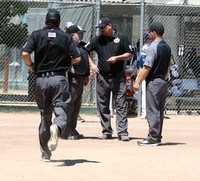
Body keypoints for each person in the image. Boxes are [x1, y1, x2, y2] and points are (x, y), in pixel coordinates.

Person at [22, 9, 81, 161]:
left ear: (45, 22)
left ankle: (45, 153)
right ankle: (58, 126)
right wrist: (66, 61)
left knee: (44, 116)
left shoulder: (36, 35)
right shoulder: (66, 37)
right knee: (62, 108)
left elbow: (25, 53)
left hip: (41, 80)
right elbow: (78, 58)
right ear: (59, 23)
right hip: (59, 79)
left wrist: (31, 65)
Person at [85, 17, 134, 141]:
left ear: (110, 25)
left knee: (121, 104)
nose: (101, 30)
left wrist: (117, 58)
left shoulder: (121, 38)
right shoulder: (97, 40)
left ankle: (122, 132)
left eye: (103, 27)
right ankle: (106, 131)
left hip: (118, 77)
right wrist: (91, 64)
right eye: (100, 28)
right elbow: (84, 51)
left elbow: (130, 54)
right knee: (103, 105)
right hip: (103, 77)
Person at [133, 22, 171, 146]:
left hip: (154, 82)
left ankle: (153, 138)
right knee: (159, 110)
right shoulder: (167, 47)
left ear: (154, 32)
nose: (150, 34)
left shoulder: (152, 47)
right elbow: (168, 67)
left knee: (152, 110)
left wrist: (138, 82)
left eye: (150, 32)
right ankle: (157, 136)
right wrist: (163, 78)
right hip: (163, 82)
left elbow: (147, 67)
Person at [65, 25, 90, 140]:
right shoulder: (66, 46)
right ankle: (66, 130)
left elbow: (84, 61)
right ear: (71, 35)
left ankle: (72, 128)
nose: (81, 35)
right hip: (71, 79)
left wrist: (86, 75)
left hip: (80, 79)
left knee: (76, 106)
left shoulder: (81, 46)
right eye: (79, 33)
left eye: (82, 33)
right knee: (69, 105)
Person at [139, 33, 152, 119]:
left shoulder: (145, 47)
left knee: (145, 92)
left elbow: (142, 60)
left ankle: (145, 112)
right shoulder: (154, 46)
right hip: (152, 71)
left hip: (145, 70)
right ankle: (149, 112)